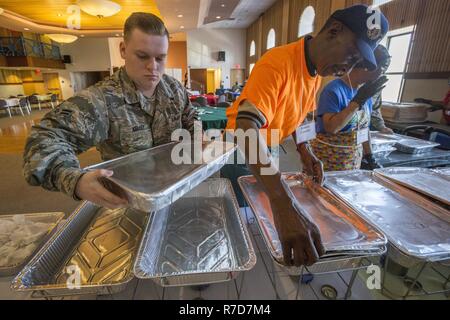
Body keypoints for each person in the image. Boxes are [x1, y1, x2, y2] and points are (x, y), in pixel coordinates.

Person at [224, 5, 389, 267]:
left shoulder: (314, 71)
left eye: (357, 63)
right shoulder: (277, 62)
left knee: (257, 220)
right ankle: (229, 265)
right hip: (240, 152)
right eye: (352, 54)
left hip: (266, 150)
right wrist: (283, 201)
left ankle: (257, 256)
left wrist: (305, 151)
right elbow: (246, 127)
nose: (350, 68)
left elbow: (299, 116)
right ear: (334, 30)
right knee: (237, 220)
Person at [23, 12, 197, 209]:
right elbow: (42, 140)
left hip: (176, 192)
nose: (153, 67)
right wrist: (76, 181)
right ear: (123, 49)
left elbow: (190, 121)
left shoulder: (174, 89)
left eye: (160, 58)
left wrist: (199, 147)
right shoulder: (102, 99)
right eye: (142, 56)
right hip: (127, 203)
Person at [311, 45, 390, 171]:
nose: (378, 77)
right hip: (328, 161)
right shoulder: (333, 90)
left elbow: (363, 129)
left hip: (352, 162)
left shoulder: (365, 93)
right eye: (379, 72)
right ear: (367, 67)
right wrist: (356, 103)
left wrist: (370, 157)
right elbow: (332, 127)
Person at [369, 46, 394, 134]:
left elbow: (375, 108)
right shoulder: (346, 85)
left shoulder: (376, 84)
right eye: (380, 67)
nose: (382, 72)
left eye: (385, 68)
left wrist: (381, 127)